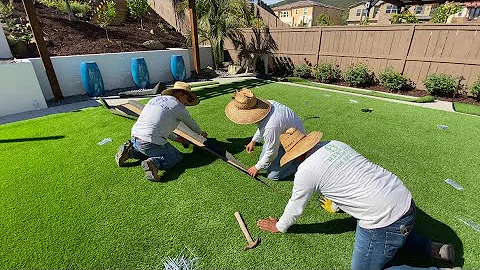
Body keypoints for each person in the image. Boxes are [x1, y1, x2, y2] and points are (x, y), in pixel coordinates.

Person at [256, 128, 456, 270]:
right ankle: (433, 248)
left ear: (294, 156)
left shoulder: (305, 171)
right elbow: (348, 177)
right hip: (405, 201)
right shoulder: (334, 144)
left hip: (386, 219)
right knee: (394, 233)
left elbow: (295, 206)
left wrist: (280, 226)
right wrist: (337, 204)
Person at [115, 81, 208, 181]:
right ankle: (154, 163)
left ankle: (130, 151)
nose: (187, 103)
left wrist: (176, 139)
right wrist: (201, 133)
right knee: (175, 156)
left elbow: (158, 126)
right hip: (149, 142)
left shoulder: (154, 100)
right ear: (181, 93)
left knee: (146, 148)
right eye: (188, 98)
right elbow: (192, 124)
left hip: (135, 138)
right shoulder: (178, 106)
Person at [224, 88, 305, 180]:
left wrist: (256, 167)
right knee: (265, 164)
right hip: (281, 133)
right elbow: (262, 124)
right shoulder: (267, 105)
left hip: (294, 141)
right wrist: (254, 141)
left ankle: (298, 162)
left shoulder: (271, 126)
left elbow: (272, 152)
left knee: (273, 176)